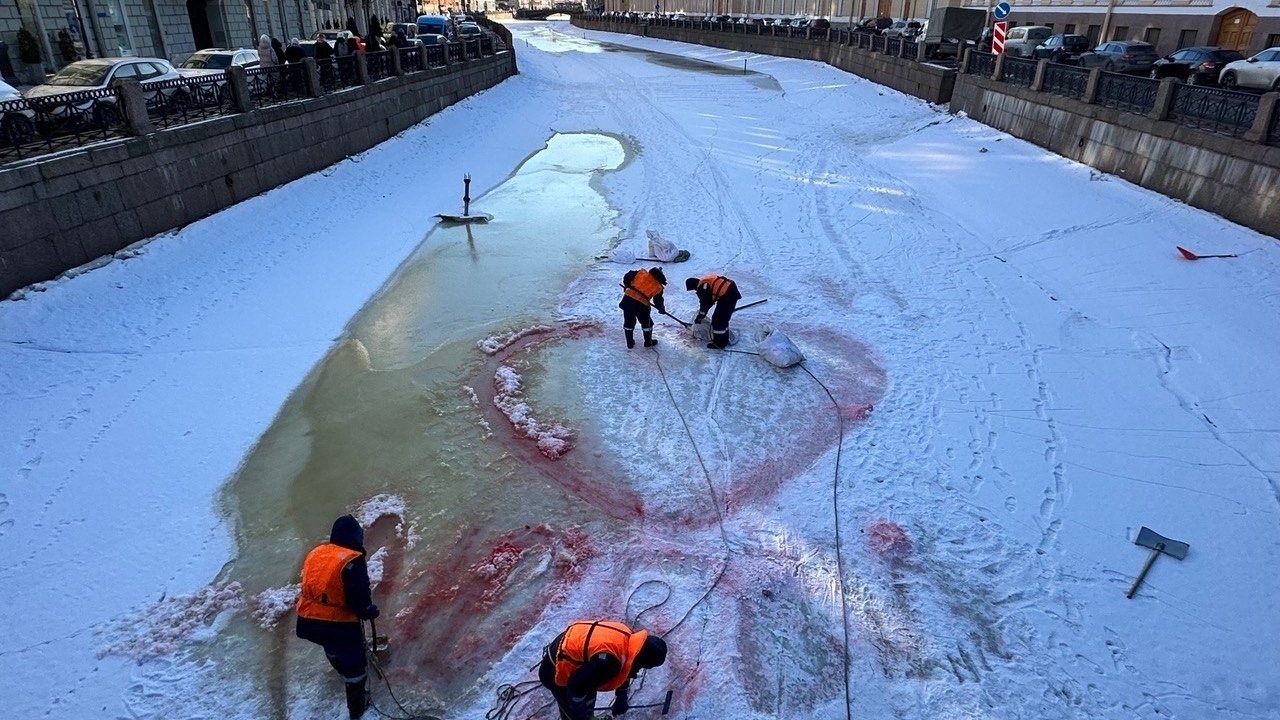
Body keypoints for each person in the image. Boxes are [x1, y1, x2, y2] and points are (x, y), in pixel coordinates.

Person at [296, 515, 380, 719]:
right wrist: (369, 611)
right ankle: (357, 708)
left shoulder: (317, 552)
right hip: (336, 625)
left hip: (306, 620)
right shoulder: (353, 560)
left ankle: (340, 667)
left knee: (332, 647)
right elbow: (359, 598)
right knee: (355, 665)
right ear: (355, 537)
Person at [539, 621, 668, 720]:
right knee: (573, 711)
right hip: (554, 670)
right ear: (640, 659)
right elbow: (575, 686)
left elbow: (626, 664)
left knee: (587, 691)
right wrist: (578, 711)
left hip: (570, 651)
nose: (639, 670)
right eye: (642, 666)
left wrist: (621, 695)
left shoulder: (629, 638)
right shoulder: (607, 664)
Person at [686, 274, 741, 349]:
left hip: (728, 296)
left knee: (718, 320)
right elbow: (710, 300)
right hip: (730, 291)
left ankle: (719, 343)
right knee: (722, 318)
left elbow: (705, 303)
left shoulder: (702, 287)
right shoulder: (704, 281)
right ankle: (724, 337)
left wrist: (700, 316)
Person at [618, 267, 667, 349]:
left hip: (627, 300)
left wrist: (627, 286)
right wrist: (661, 308)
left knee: (629, 322)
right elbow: (658, 301)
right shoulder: (658, 286)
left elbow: (627, 276)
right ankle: (648, 342)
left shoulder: (641, 274)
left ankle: (629, 342)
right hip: (641, 305)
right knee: (647, 324)